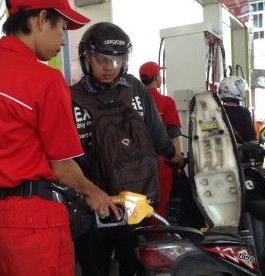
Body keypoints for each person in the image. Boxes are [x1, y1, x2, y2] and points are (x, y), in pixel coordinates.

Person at [0, 1, 120, 275]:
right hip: (35, 222)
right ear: (42, 19)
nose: (64, 41)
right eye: (63, 29)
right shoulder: (45, 80)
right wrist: (95, 192)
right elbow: (62, 166)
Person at [71, 22, 183, 276]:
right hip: (96, 204)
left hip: (133, 202)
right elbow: (159, 137)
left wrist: (172, 155)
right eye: (100, 58)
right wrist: (173, 155)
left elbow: (157, 135)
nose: (109, 66)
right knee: (106, 264)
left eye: (117, 58)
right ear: (86, 58)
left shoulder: (135, 89)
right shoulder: (71, 99)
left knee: (127, 264)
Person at [139, 61, 182, 225]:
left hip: (136, 164)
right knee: (159, 206)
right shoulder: (166, 102)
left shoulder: (132, 101)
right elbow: (173, 133)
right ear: (157, 77)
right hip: (161, 162)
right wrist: (177, 159)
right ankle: (156, 243)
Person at [217, 76, 257, 143]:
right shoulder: (243, 113)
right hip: (238, 152)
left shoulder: (217, 111)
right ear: (238, 91)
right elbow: (250, 138)